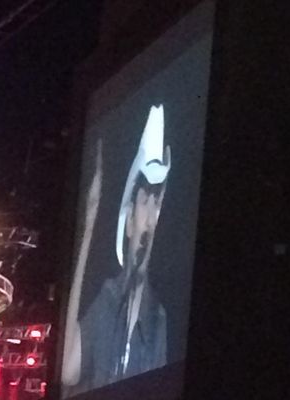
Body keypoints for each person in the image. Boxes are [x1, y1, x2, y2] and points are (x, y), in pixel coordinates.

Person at [61, 104, 171, 395]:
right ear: (129, 220)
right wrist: (87, 230)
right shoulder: (107, 300)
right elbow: (67, 370)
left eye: (157, 204)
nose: (151, 218)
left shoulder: (158, 318)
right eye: (145, 201)